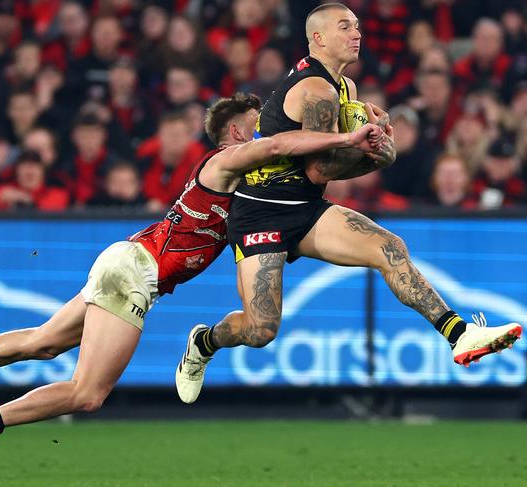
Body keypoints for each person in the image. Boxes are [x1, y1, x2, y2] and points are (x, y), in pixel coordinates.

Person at [0, 93, 383, 487]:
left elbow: (301, 180)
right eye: (262, 121)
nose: (272, 128)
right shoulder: (227, 160)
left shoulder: (255, 189)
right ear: (237, 131)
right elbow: (279, 149)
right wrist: (345, 134)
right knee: (88, 394)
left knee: (43, 341)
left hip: (128, 260)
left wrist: (363, 147)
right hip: (135, 269)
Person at [175, 3, 522, 405]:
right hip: (260, 213)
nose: (356, 34)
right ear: (318, 38)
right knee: (260, 330)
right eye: (345, 27)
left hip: (304, 207)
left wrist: (373, 148)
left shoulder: (345, 88)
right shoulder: (316, 90)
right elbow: (321, 170)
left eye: (357, 26)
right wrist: (376, 153)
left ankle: (461, 335)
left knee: (389, 248)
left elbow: (320, 173)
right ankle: (204, 341)